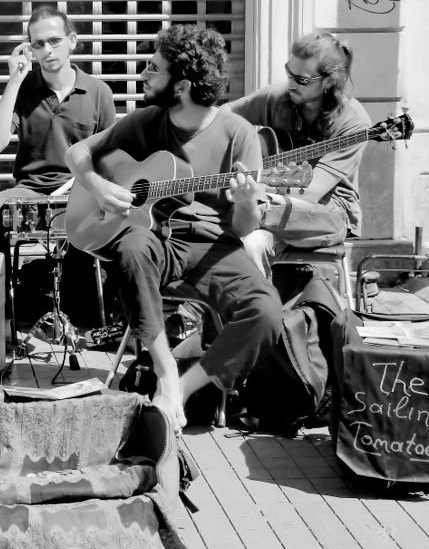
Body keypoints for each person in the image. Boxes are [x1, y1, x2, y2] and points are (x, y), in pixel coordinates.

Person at [65, 24, 282, 430]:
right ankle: (165, 372)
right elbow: (78, 152)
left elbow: (244, 226)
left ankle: (183, 388)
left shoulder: (239, 135)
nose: (143, 73)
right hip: (158, 241)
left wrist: (249, 203)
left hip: (214, 245)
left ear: (180, 85)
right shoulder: (148, 120)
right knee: (131, 250)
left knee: (267, 311)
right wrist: (97, 185)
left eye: (153, 67)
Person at [221, 32, 370, 276]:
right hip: (270, 208)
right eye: (289, 73)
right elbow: (223, 117)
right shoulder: (276, 98)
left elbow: (311, 191)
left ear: (329, 81)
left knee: (237, 212)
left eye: (301, 80)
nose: (291, 83)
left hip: (327, 213)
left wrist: (252, 192)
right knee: (251, 244)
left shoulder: (353, 122)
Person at [0, 6, 116, 252]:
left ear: (71, 41)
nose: (47, 50)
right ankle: (1, 290)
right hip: (31, 192)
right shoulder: (22, 88)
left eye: (54, 41)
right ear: (30, 50)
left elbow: (112, 159)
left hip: (82, 191)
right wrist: (14, 81)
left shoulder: (99, 92)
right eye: (38, 44)